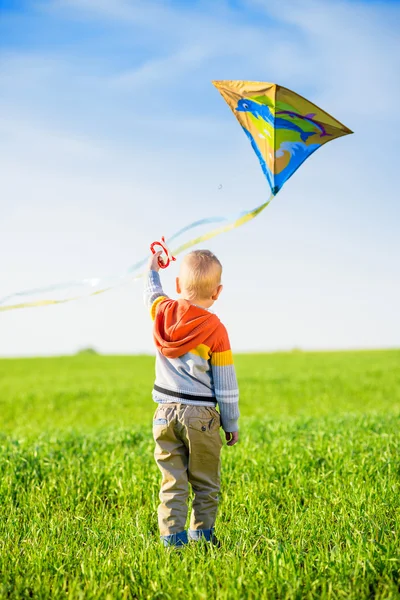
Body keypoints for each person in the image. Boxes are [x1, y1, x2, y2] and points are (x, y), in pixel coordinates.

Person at [144, 249, 240, 548]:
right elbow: (225, 383)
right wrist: (230, 421)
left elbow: (151, 292)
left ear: (177, 284)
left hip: (163, 414)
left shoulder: (161, 312)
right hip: (200, 417)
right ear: (218, 292)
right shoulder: (216, 330)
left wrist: (151, 268)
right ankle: (203, 537)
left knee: (172, 482)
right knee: (205, 483)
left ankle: (172, 541)